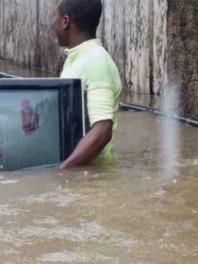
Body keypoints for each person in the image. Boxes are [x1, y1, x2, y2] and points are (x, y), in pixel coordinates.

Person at [54, 0, 122, 169]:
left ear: (65, 21)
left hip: (94, 175)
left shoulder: (95, 61)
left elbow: (103, 130)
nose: (52, 23)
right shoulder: (76, 59)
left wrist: (63, 171)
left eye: (54, 17)